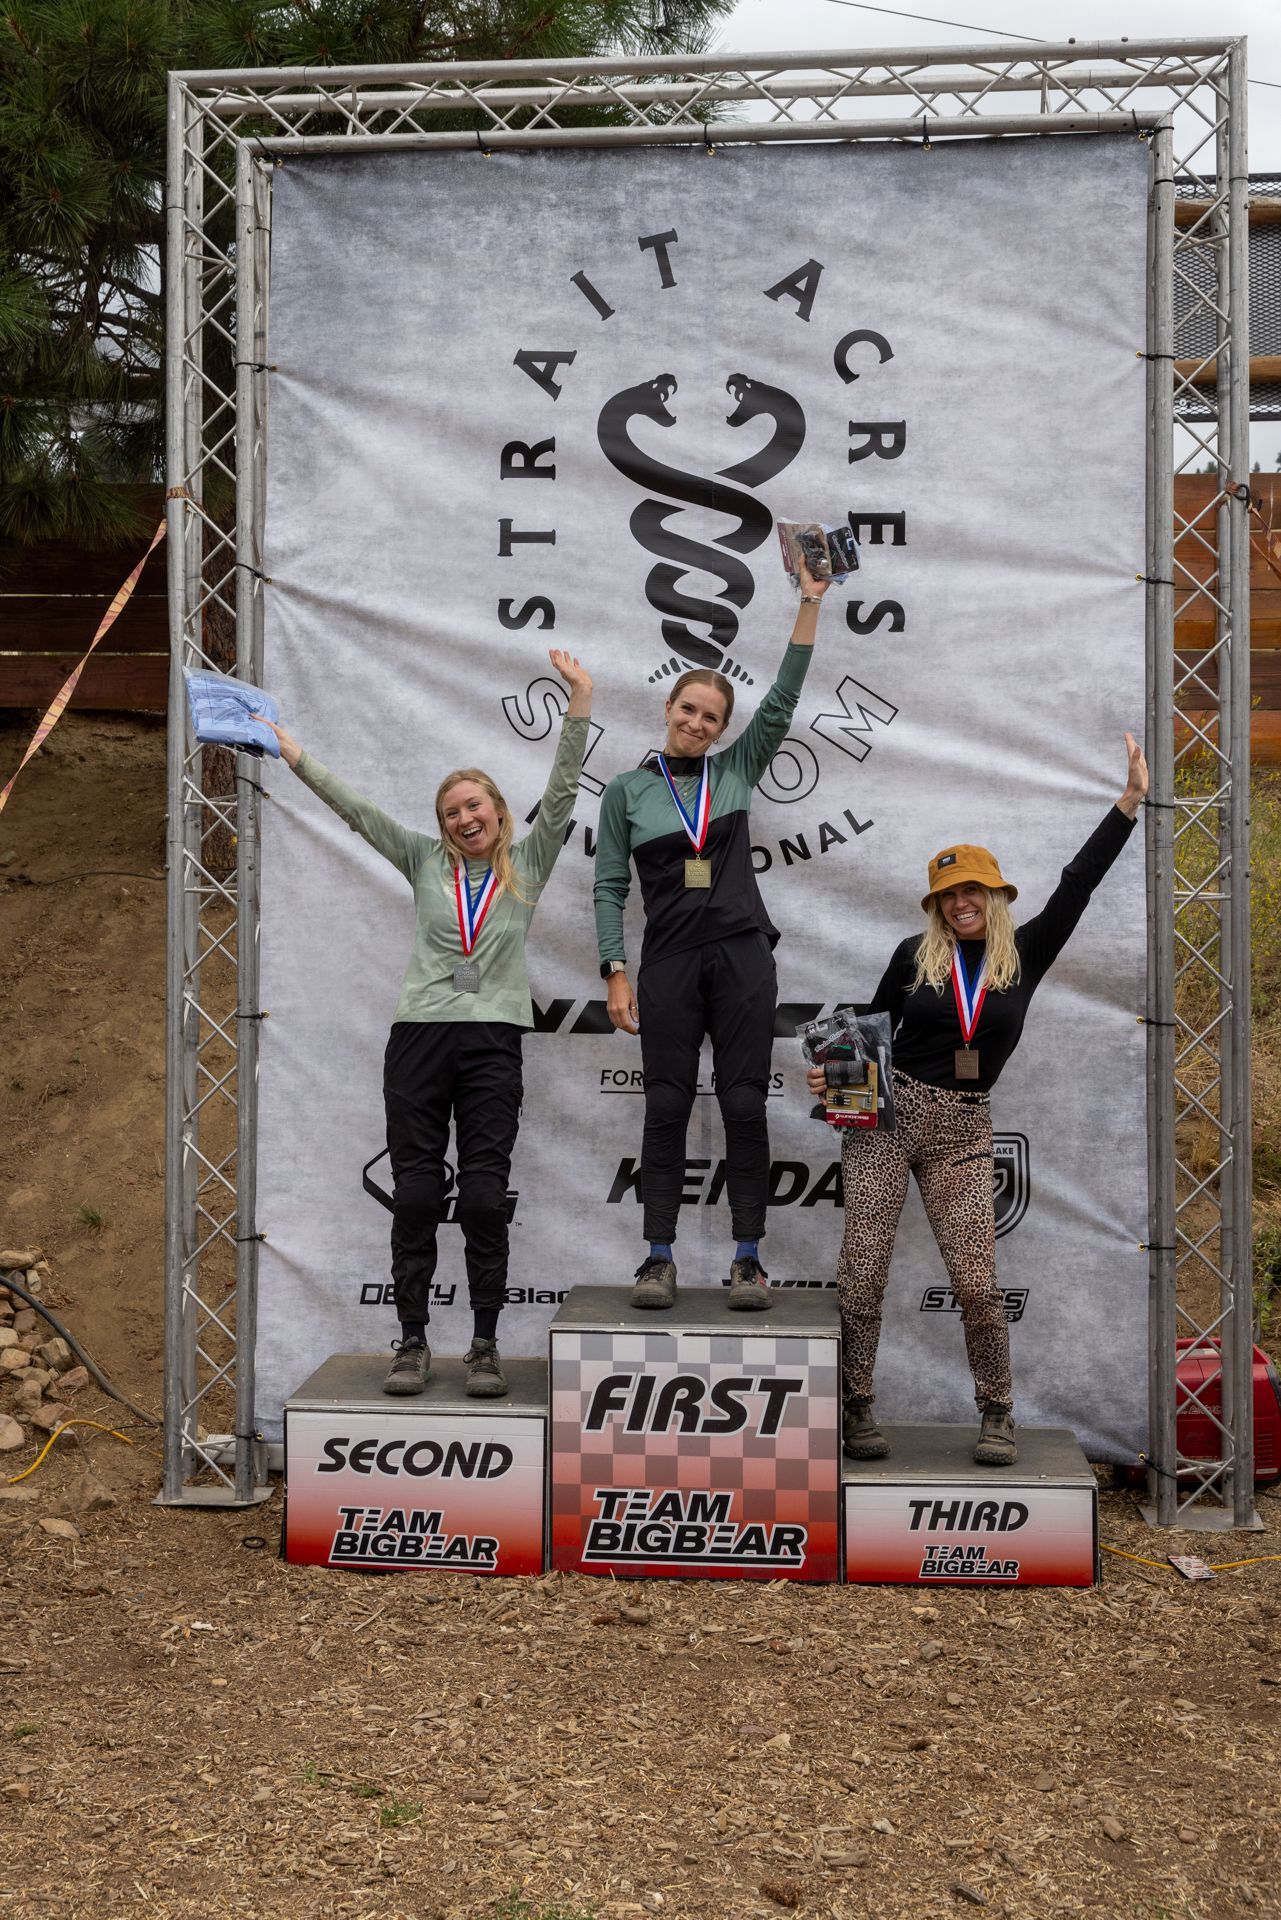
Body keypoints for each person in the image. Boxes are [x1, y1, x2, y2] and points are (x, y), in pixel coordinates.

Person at [809, 735, 1149, 1466]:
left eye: (972, 890)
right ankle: (857, 1407)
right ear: (937, 904)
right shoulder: (912, 954)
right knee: (862, 1273)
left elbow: (1077, 884)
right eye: (949, 894)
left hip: (963, 1133)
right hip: (888, 1119)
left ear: (993, 896)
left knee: (975, 1283)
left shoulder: (1024, 953)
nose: (961, 902)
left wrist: (1126, 804)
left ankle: (997, 1413)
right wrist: (832, 1078)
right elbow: (867, 1029)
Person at [266, 650, 592, 1398]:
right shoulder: (420, 859)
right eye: (451, 812)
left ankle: (484, 1346)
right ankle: (411, 1341)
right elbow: (356, 811)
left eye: (474, 806)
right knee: (415, 1196)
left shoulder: (528, 862)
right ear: (440, 824)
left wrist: (579, 700)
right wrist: (294, 755)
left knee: (482, 1199)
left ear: (498, 811)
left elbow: (564, 789)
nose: (464, 819)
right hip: (418, 1037)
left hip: (492, 1043)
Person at [594, 560, 832, 1311]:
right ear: (668, 708)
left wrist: (809, 602)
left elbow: (784, 695)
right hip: (667, 961)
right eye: (688, 709)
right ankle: (657, 1258)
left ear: (724, 729)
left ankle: (748, 1260)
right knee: (665, 1107)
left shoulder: (735, 772)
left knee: (743, 1106)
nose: (697, 724)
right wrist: (614, 970)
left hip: (740, 955)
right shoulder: (627, 792)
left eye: (711, 718)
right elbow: (608, 886)